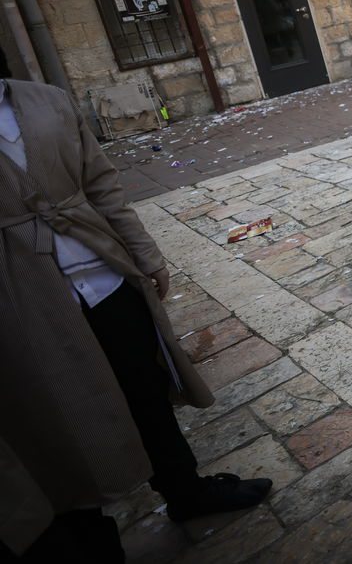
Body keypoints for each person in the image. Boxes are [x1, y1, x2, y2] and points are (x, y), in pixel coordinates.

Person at [0, 66, 272, 563]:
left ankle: (185, 491)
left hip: (102, 275)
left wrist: (144, 253)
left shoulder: (45, 101)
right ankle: (87, 530)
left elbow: (101, 183)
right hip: (24, 300)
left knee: (145, 389)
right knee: (56, 414)